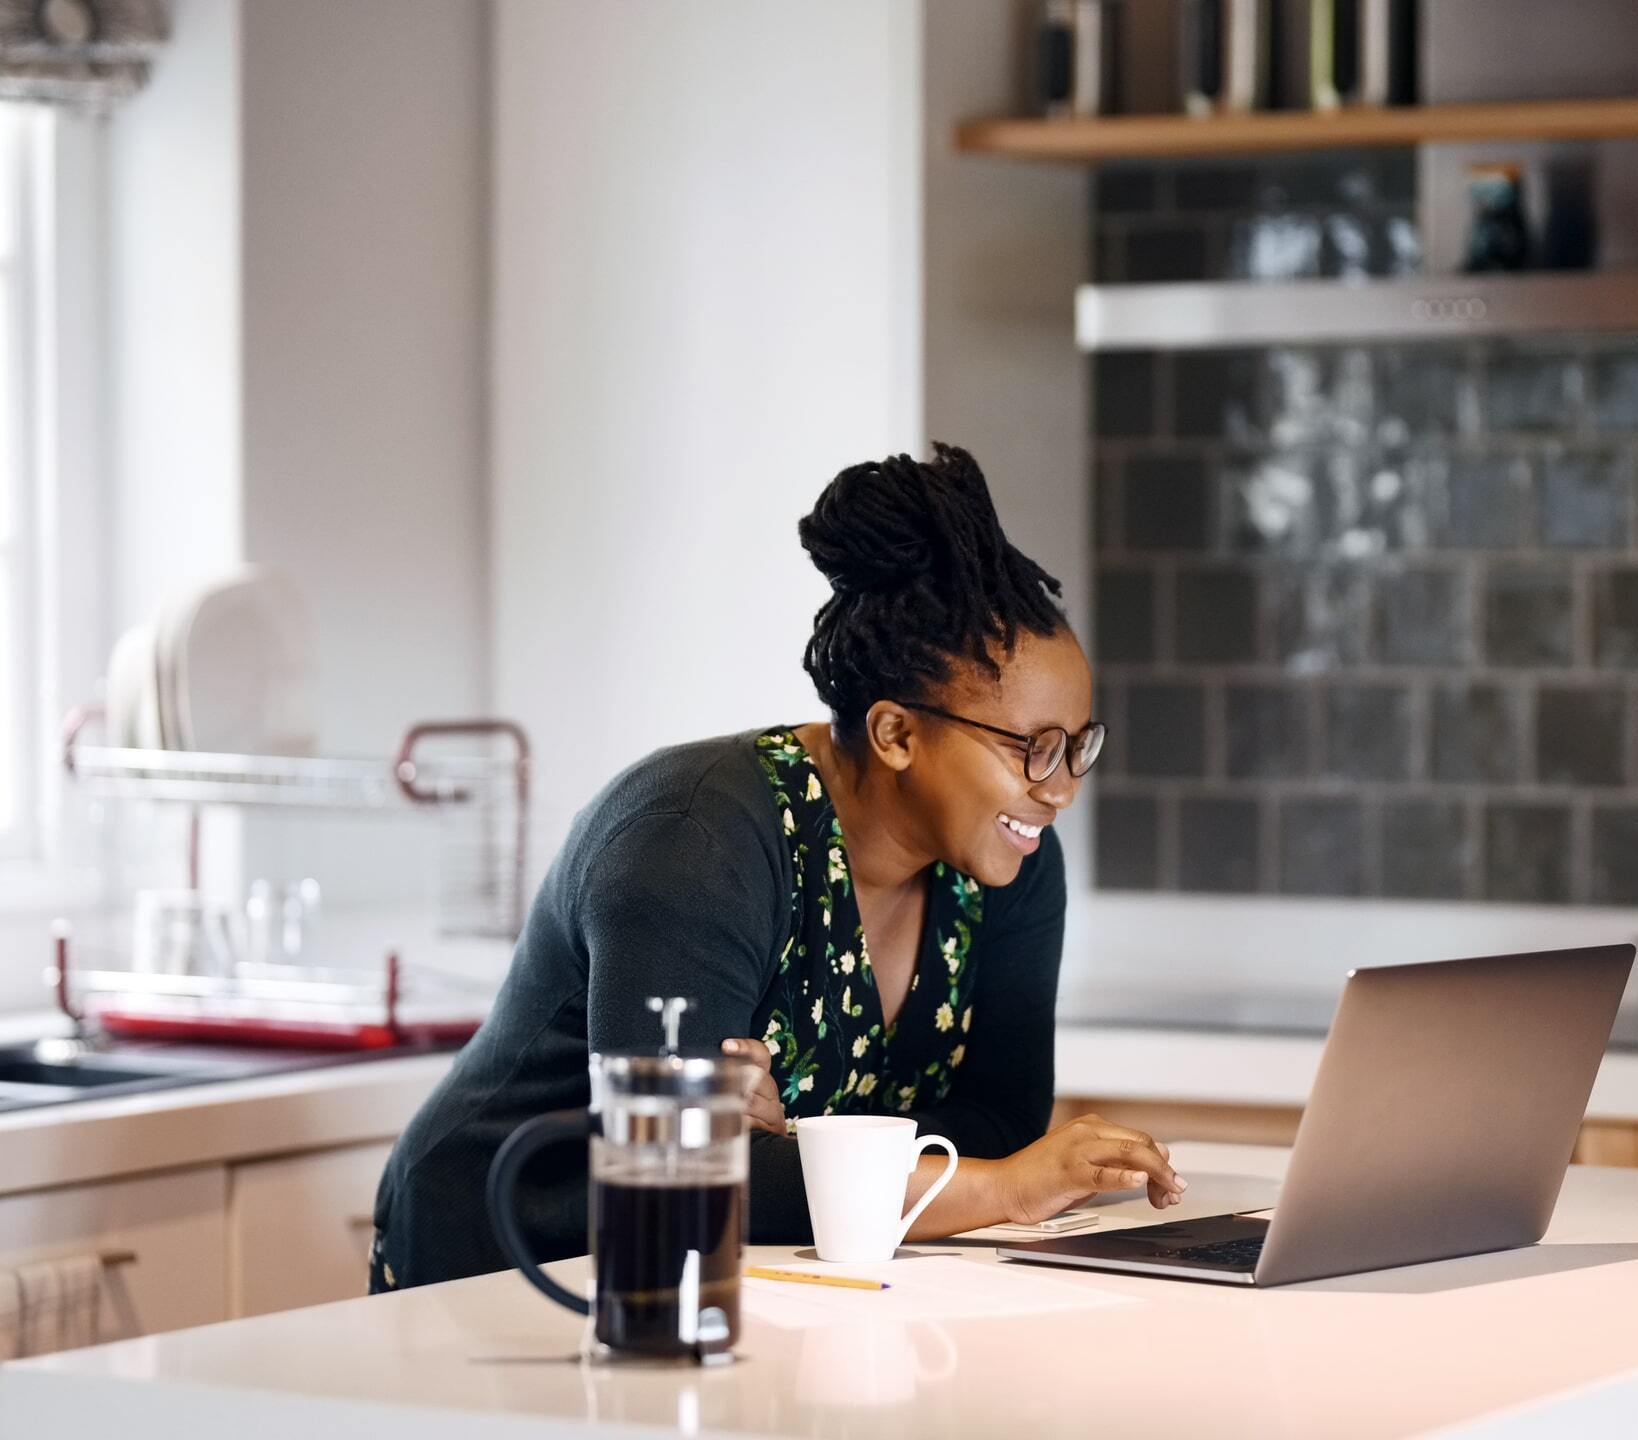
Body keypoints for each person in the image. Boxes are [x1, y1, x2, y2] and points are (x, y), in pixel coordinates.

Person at [369, 443, 1186, 1291]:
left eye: (1076, 747)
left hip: (745, 1283)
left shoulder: (1006, 859)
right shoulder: (692, 844)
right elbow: (675, 1175)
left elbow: (998, 1117)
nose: (1058, 791)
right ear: (896, 734)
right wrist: (1000, 1189)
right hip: (507, 1262)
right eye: (1033, 750)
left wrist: (785, 1143)